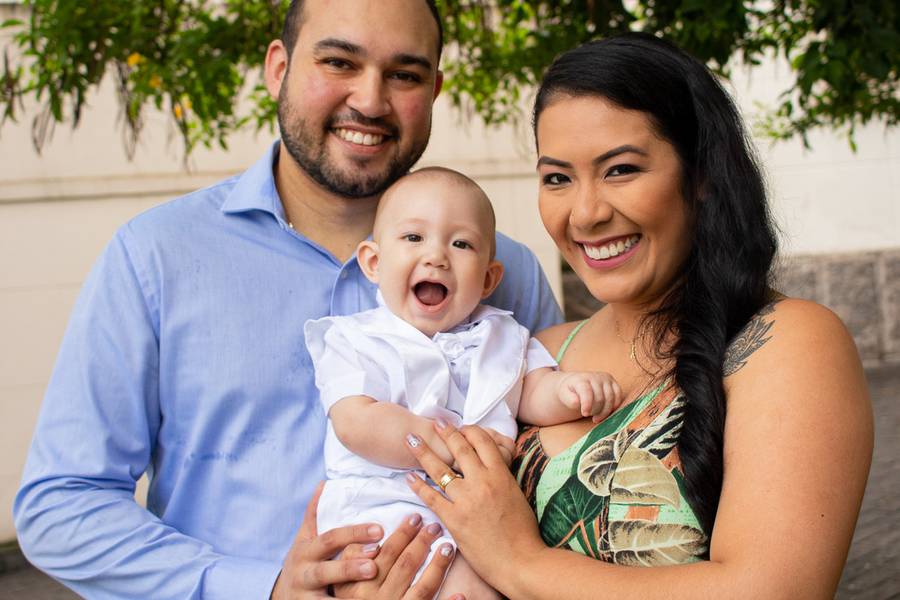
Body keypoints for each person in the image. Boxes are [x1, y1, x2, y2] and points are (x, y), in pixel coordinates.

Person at [13, 1, 562, 598]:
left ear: (433, 90)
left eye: (403, 74)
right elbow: (61, 506)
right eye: (338, 61)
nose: (371, 101)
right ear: (279, 67)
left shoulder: (504, 275)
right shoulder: (157, 257)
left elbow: (561, 476)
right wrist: (260, 589)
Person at [403, 33, 874, 599]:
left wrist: (518, 562)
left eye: (621, 169)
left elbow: (770, 591)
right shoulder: (540, 351)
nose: (586, 212)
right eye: (557, 177)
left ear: (700, 176)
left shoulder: (786, 342)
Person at [305, 167, 622, 599]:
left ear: (489, 279)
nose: (437, 256)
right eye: (414, 238)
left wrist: (569, 392)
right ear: (374, 263)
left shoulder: (503, 335)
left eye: (461, 243)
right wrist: (452, 446)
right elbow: (355, 421)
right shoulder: (355, 339)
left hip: (483, 517)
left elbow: (529, 390)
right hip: (385, 507)